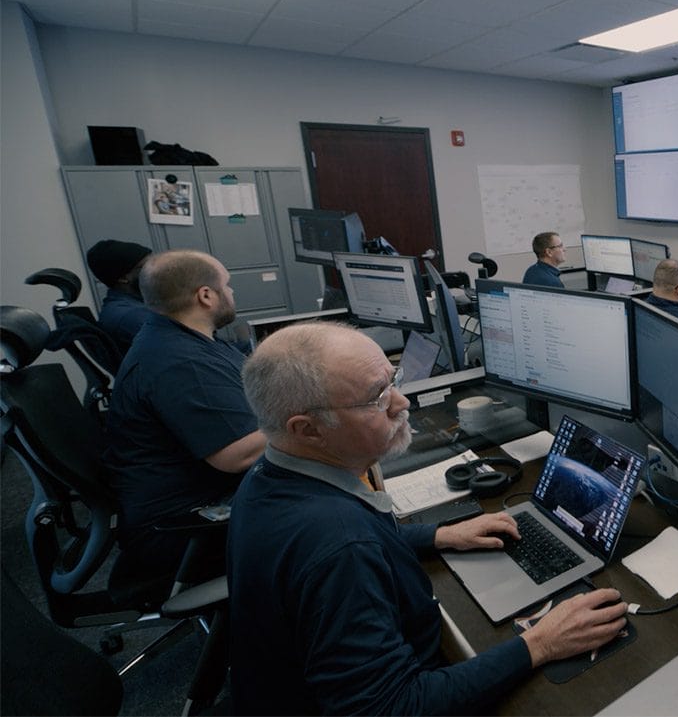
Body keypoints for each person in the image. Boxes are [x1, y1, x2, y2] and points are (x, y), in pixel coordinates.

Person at [229, 322, 627, 715]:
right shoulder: (340, 547)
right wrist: (540, 644)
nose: (401, 403)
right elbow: (391, 708)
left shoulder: (271, 476)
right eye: (377, 398)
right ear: (309, 430)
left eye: (392, 381)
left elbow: (348, 544)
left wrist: (439, 535)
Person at [103, 250, 266, 578]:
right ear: (206, 295)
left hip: (199, 500)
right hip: (189, 528)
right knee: (339, 513)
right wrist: (321, 411)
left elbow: (245, 373)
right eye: (227, 286)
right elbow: (235, 455)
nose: (232, 293)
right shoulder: (179, 363)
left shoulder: (178, 336)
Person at [84, 238, 154, 351]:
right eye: (147, 266)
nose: (158, 271)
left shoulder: (128, 305)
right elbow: (186, 344)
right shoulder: (131, 315)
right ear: (123, 278)